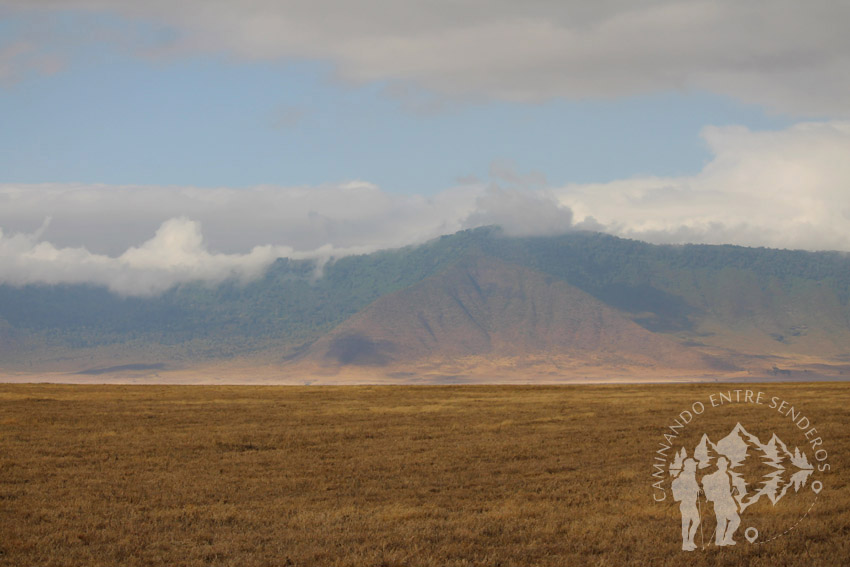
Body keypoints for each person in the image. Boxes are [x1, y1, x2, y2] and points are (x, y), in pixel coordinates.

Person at [701, 456, 740, 546]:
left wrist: (731, 492)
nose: (725, 466)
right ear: (720, 466)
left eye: (725, 464)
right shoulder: (720, 476)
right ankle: (724, 539)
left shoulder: (721, 475)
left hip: (722, 502)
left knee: (723, 522)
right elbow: (722, 492)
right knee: (733, 520)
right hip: (723, 502)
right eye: (723, 465)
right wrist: (731, 493)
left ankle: (722, 540)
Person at [671, 458, 700, 551]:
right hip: (686, 503)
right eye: (694, 465)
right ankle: (685, 544)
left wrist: (698, 489)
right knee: (686, 524)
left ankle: (690, 541)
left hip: (692, 503)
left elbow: (695, 486)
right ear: (688, 466)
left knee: (696, 521)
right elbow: (688, 488)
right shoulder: (684, 475)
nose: (695, 466)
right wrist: (694, 490)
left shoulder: (691, 475)